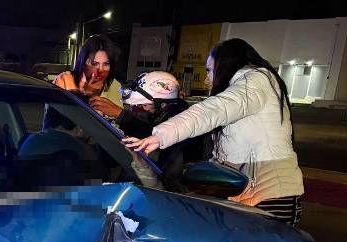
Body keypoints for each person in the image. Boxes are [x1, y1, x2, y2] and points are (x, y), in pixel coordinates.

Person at [124, 38, 304, 224]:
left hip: (270, 198)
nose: (206, 79)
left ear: (226, 65)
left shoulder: (256, 80)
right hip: (246, 196)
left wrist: (160, 135)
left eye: (209, 70)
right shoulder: (247, 88)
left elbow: (212, 110)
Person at [110, 70, 198, 179]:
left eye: (145, 104)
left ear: (162, 104)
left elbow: (167, 170)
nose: (141, 107)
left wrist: (122, 116)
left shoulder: (177, 123)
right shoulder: (160, 116)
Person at [54, 35, 123, 110]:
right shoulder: (65, 80)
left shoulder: (114, 85)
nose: (101, 70)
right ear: (83, 63)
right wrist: (83, 95)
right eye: (94, 64)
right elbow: (53, 115)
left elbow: (117, 118)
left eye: (106, 64)